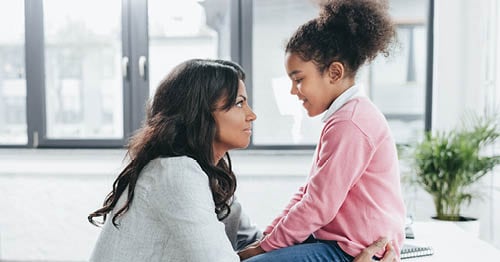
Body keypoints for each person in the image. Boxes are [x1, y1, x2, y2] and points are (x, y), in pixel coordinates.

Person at [87, 58, 396, 262]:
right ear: (200, 115)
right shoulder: (175, 174)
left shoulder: (207, 176)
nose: (252, 114)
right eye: (238, 103)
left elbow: (255, 245)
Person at [238, 0, 406, 261]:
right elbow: (308, 193)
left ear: (334, 73)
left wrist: (263, 249)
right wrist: (267, 240)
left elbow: (318, 206)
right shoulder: (345, 117)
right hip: (339, 242)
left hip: (352, 251)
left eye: (299, 79)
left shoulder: (350, 123)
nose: (294, 91)